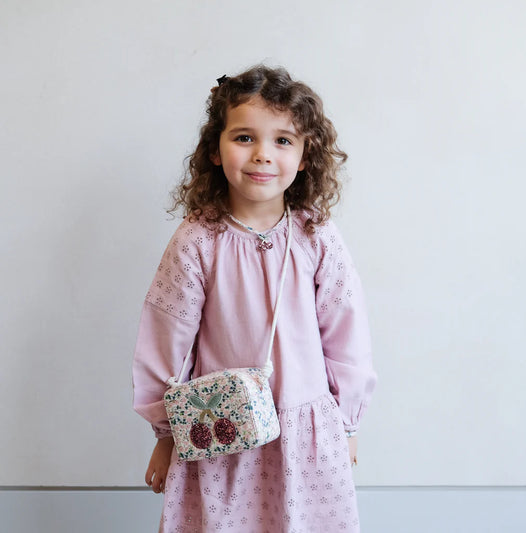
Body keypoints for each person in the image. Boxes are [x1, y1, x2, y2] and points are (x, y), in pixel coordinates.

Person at [132, 65, 377, 533]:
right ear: (215, 150)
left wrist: (347, 425)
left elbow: (347, 333)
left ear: (304, 156)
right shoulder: (197, 240)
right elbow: (165, 341)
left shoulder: (316, 235)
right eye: (244, 137)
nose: (263, 154)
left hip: (306, 436)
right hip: (222, 432)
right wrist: (166, 433)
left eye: (283, 140)